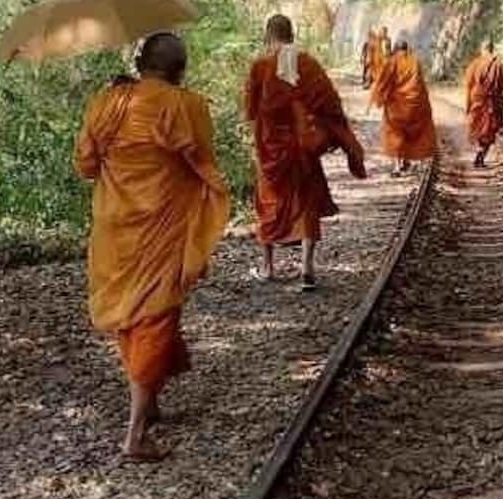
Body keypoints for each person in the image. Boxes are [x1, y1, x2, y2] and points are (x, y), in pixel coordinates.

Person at [74, 33, 230, 461]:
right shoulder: (185, 105)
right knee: (156, 315)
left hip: (114, 227)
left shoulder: (105, 103)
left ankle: (152, 403)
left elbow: (86, 166)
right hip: (161, 229)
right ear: (179, 69)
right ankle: (135, 434)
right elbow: (201, 164)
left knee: (131, 315)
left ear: (141, 64)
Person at [245, 14, 367, 290]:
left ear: (268, 35)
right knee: (307, 201)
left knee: (268, 202)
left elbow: (251, 111)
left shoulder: (261, 66)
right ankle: (307, 268)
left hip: (271, 148)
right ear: (292, 35)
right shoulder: (307, 63)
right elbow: (330, 104)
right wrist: (330, 132)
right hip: (303, 145)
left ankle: (268, 268)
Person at [371, 38, 436, 177]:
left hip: (396, 106)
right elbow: (420, 85)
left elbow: (383, 82)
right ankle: (405, 160)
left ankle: (397, 166)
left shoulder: (392, 62)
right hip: (414, 105)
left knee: (395, 134)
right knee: (409, 133)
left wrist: (379, 98)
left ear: (395, 49)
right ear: (407, 49)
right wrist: (424, 103)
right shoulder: (415, 62)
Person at [464, 39, 503, 168]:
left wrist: (468, 104)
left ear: (483, 49)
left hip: (478, 101)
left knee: (479, 130)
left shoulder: (474, 64)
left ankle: (479, 153)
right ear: (492, 49)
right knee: (489, 130)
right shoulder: (499, 65)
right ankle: (481, 154)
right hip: (493, 103)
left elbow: (468, 86)